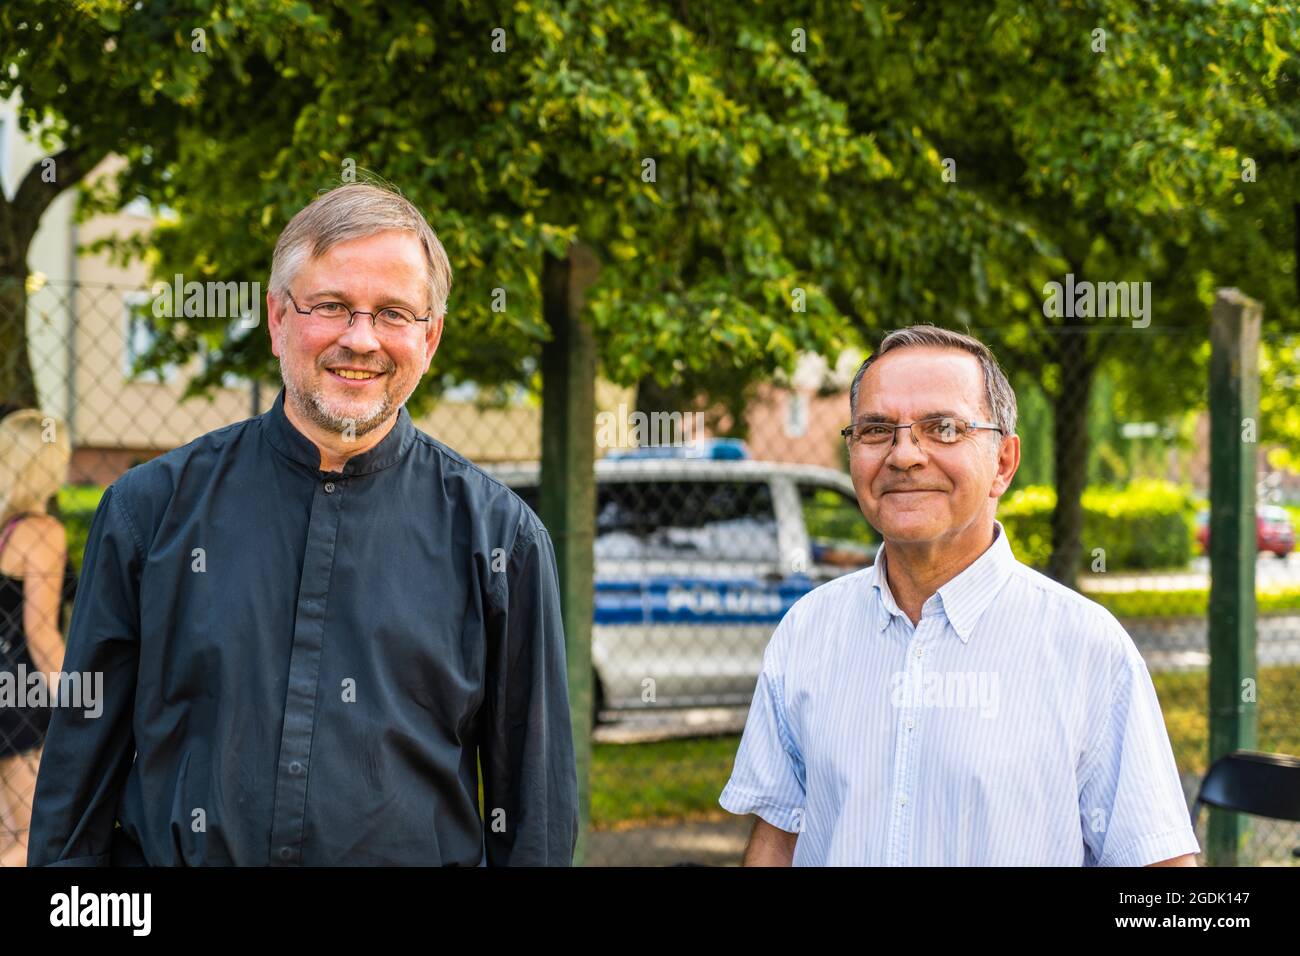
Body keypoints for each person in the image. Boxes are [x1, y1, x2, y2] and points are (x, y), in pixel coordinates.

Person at [28, 182, 578, 866]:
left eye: (393, 313)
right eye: (332, 307)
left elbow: (537, 818)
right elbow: (76, 788)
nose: (361, 339)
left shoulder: (503, 542)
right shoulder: (148, 514)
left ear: (430, 337)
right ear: (277, 318)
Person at [719, 324, 1199, 866]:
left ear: (1003, 463)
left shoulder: (1089, 651)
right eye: (877, 429)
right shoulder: (806, 632)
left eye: (943, 428)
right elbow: (777, 839)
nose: (904, 455)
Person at [0, 409, 72, 867]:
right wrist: (81, 706)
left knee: (8, 829)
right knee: (34, 838)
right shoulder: (41, 533)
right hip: (22, 698)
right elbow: (41, 633)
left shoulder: (7, 530)